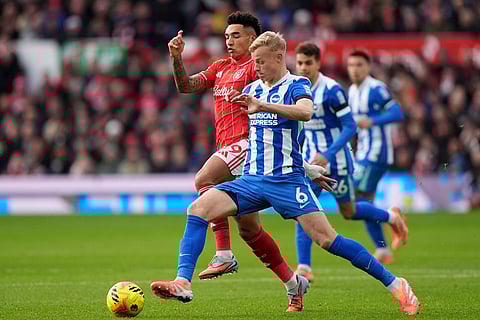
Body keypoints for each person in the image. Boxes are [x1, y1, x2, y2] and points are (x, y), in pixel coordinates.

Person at [151, 31, 420, 316]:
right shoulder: (254, 88)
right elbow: (264, 140)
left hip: (286, 183)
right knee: (198, 208)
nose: (256, 67)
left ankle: (395, 284)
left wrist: (264, 109)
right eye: (254, 62)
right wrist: (310, 167)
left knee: (327, 239)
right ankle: (183, 282)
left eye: (261, 61)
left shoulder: (296, 84)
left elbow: (304, 112)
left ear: (279, 58)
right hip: (252, 180)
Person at [165, 11, 329, 300]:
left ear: (252, 38)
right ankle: (293, 283)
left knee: (204, 178)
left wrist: (299, 160)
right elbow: (186, 86)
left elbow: (288, 98)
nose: (229, 41)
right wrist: (177, 58)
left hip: (247, 144)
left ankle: (223, 253)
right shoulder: (219, 68)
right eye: (227, 36)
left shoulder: (257, 69)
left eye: (236, 35)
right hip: (236, 155)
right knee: (250, 231)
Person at [293, 42, 409, 281]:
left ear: (318, 63)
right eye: (300, 63)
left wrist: (328, 153)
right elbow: (303, 127)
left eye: (308, 63)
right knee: (301, 206)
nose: (303, 67)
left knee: (351, 210)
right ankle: (304, 267)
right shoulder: (295, 88)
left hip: (338, 162)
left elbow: (350, 127)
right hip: (311, 161)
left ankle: (391, 219)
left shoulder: (332, 90)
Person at [347, 50, 407, 263]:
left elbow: (397, 112)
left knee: (353, 201)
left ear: (368, 67)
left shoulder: (376, 89)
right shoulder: (352, 91)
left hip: (377, 153)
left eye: (359, 65)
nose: (354, 70)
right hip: (362, 153)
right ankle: (382, 249)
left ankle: (392, 218)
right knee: (365, 203)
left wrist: (373, 121)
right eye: (351, 65)